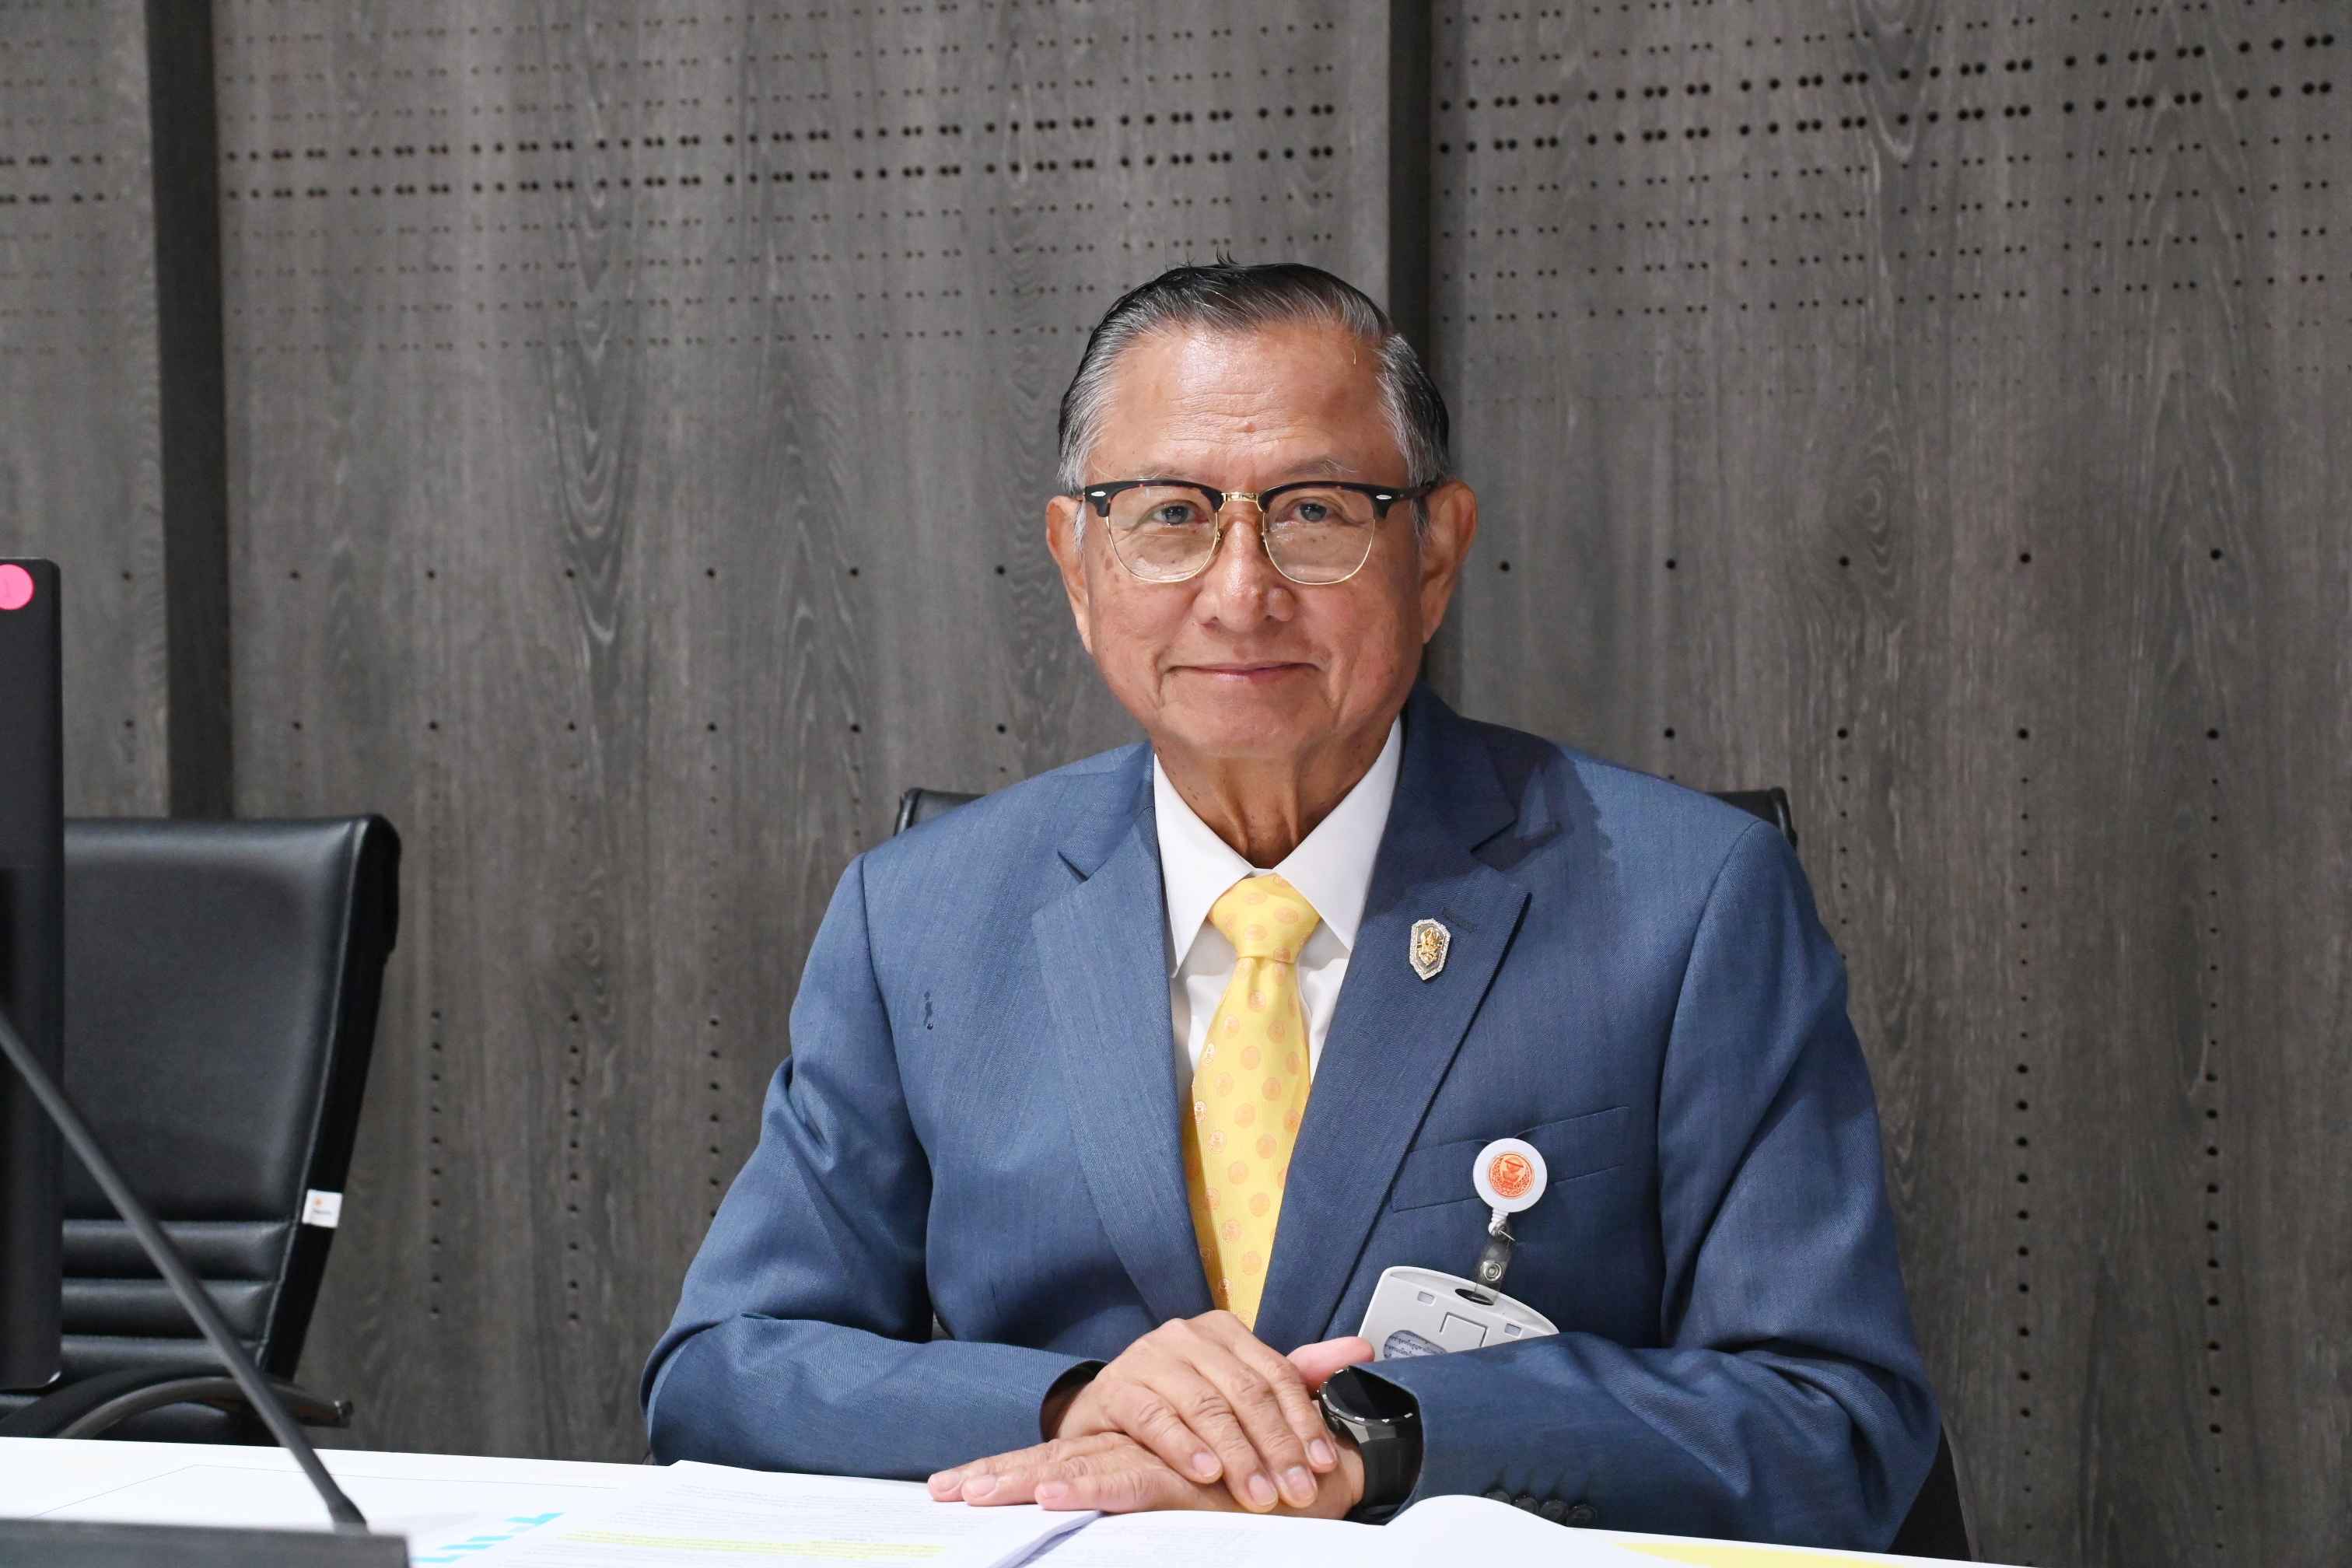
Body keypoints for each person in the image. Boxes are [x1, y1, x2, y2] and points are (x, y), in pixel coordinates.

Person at [643, 261, 1940, 1546]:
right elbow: (725, 1370)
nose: (1239, 590)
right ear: (1077, 562)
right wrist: (1077, 1405)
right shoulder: (921, 914)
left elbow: (1831, 1421)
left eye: (1314, 512)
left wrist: (1366, 1445)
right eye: (1168, 514)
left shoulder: (1689, 902)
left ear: (1435, 554)